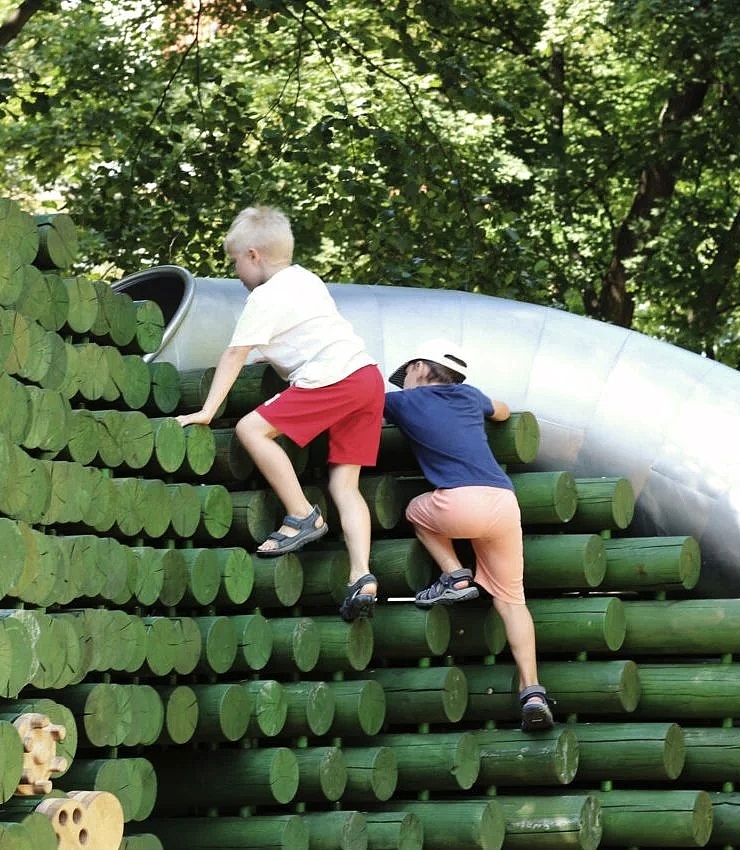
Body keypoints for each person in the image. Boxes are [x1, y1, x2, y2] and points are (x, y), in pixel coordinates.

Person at [176, 205, 385, 621]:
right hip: (366, 378)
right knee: (346, 486)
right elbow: (294, 336)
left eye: (235, 261)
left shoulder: (265, 296)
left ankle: (302, 514)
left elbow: (234, 352)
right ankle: (361, 575)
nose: (236, 272)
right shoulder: (306, 280)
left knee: (251, 429)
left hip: (334, 378)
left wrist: (207, 409)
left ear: (253, 255)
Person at [383, 338, 554, 730]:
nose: (401, 382)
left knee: (415, 511)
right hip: (503, 502)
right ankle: (532, 689)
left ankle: (455, 574)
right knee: (512, 600)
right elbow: (503, 411)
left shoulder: (404, 402)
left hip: (460, 503)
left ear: (421, 369)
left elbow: (358, 400)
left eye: (405, 373)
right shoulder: (469, 395)